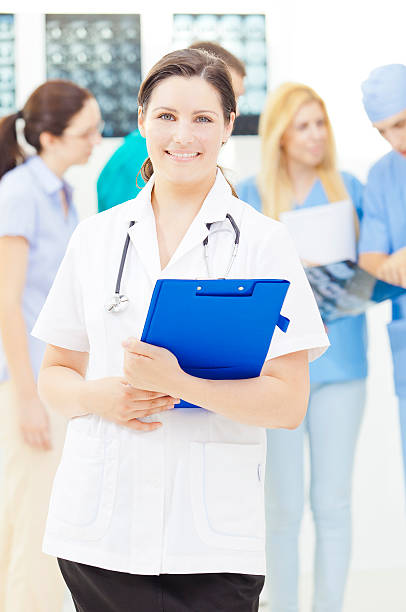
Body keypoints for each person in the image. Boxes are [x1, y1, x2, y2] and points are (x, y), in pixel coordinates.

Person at [32, 49, 328, 612]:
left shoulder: (264, 244)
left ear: (227, 127)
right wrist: (102, 396)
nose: (182, 135)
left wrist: (180, 383)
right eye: (166, 116)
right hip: (101, 529)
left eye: (202, 118)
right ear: (142, 121)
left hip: (211, 541)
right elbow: (55, 375)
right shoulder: (96, 239)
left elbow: (289, 403)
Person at [237, 83, 367, 612]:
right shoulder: (249, 194)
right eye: (302, 125)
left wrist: (339, 282)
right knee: (281, 507)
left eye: (321, 124)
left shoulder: (349, 188)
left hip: (343, 364)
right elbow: (238, 282)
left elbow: (370, 279)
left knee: (332, 502)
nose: (315, 136)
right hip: (276, 372)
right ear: (280, 135)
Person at [0, 79, 102, 612]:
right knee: (37, 533)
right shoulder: (20, 192)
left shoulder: (65, 196)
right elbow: (8, 302)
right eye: (86, 132)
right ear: (50, 137)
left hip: (44, 385)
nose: (96, 141)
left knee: (18, 526)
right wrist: (29, 396)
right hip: (23, 385)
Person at [96, 40, 246, 212]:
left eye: (202, 119)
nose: (236, 109)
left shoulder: (259, 232)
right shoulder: (137, 157)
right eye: (167, 116)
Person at [359, 64, 406, 494]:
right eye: (384, 131)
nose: (397, 141)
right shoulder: (383, 175)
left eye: (403, 123)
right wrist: (389, 262)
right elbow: (372, 259)